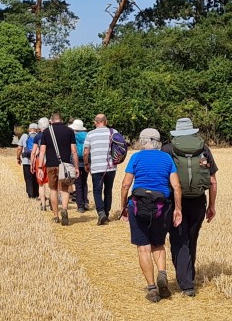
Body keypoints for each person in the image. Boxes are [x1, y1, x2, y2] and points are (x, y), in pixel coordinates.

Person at [119, 128, 183, 303]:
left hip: (138, 206)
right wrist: (178, 209)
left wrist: (124, 206)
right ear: (158, 142)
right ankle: (162, 273)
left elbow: (125, 185)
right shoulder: (166, 158)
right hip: (162, 207)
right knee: (158, 244)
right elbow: (176, 187)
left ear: (142, 141)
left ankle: (152, 288)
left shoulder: (136, 157)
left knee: (143, 247)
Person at [163, 118, 218, 298]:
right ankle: (189, 277)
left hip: (174, 200)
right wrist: (211, 205)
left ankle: (186, 284)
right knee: (192, 239)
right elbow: (212, 181)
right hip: (198, 200)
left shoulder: (168, 148)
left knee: (179, 240)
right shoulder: (203, 148)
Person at [38, 112, 78, 225]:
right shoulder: (69, 131)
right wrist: (76, 167)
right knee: (65, 189)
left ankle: (56, 216)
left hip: (51, 165)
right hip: (65, 165)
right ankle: (64, 209)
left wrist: (40, 167)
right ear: (61, 119)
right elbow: (74, 150)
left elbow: (42, 151)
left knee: (53, 190)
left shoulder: (46, 132)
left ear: (51, 120)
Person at [83, 113, 116, 225]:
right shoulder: (113, 132)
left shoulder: (90, 134)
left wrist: (87, 164)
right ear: (106, 122)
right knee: (108, 190)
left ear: (95, 122)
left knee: (97, 191)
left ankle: (101, 212)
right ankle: (106, 213)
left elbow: (86, 152)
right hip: (111, 167)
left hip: (96, 167)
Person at [30, 117, 51, 211]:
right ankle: (52, 202)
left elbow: (33, 152)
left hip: (40, 161)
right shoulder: (51, 135)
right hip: (50, 159)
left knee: (41, 184)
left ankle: (43, 204)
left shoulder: (37, 136)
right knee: (51, 184)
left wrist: (32, 163)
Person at [70, 119, 90, 213]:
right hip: (87, 160)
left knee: (78, 184)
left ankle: (80, 206)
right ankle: (86, 202)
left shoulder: (74, 136)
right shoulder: (88, 135)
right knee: (84, 182)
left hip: (76, 160)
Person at [16, 123, 39, 200]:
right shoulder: (39, 136)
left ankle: (30, 194)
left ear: (29, 129)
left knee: (28, 178)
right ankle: (36, 194)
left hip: (26, 161)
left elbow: (19, 148)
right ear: (37, 129)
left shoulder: (24, 136)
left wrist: (18, 158)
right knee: (36, 177)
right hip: (36, 161)